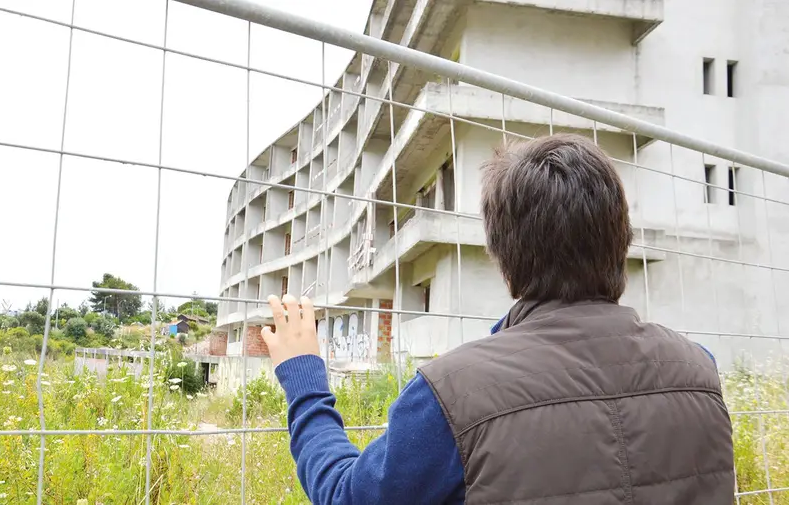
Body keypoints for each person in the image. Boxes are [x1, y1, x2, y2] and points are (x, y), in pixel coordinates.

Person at [260, 134, 734, 504]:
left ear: (503, 257)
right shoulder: (699, 372)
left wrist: (305, 380)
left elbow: (349, 496)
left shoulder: (454, 393)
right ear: (621, 237)